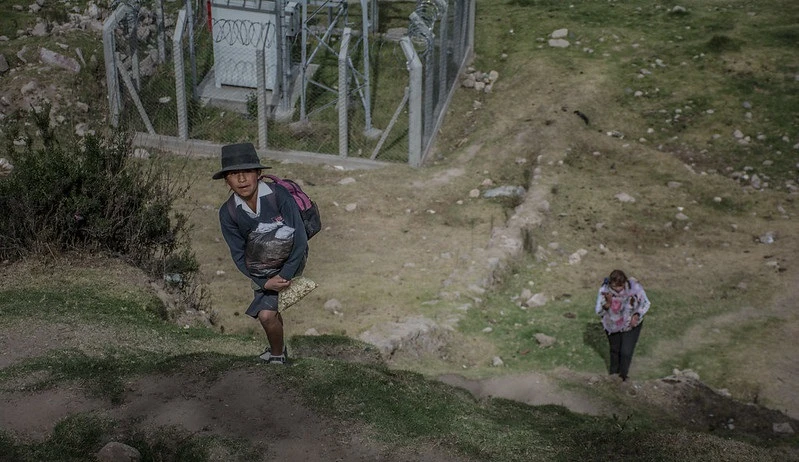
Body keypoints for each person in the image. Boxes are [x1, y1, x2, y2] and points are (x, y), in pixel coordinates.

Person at [214, 142, 308, 365]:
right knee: (270, 312)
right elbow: (238, 254)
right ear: (226, 180)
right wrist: (264, 282)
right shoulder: (228, 213)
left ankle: (277, 356)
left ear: (258, 173)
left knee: (266, 315)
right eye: (234, 174)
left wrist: (284, 276)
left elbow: (301, 239)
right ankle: (278, 350)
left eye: (247, 172)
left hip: (292, 260)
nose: (242, 179)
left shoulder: (278, 195)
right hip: (261, 271)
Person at [594, 269, 650, 381]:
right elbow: (598, 311)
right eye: (615, 287)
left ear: (624, 282)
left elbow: (646, 303)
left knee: (626, 352)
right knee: (615, 351)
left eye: (620, 286)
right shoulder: (604, 291)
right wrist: (608, 304)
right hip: (613, 324)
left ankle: (623, 377)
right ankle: (613, 377)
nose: (618, 290)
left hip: (631, 323)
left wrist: (637, 314)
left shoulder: (634, 288)